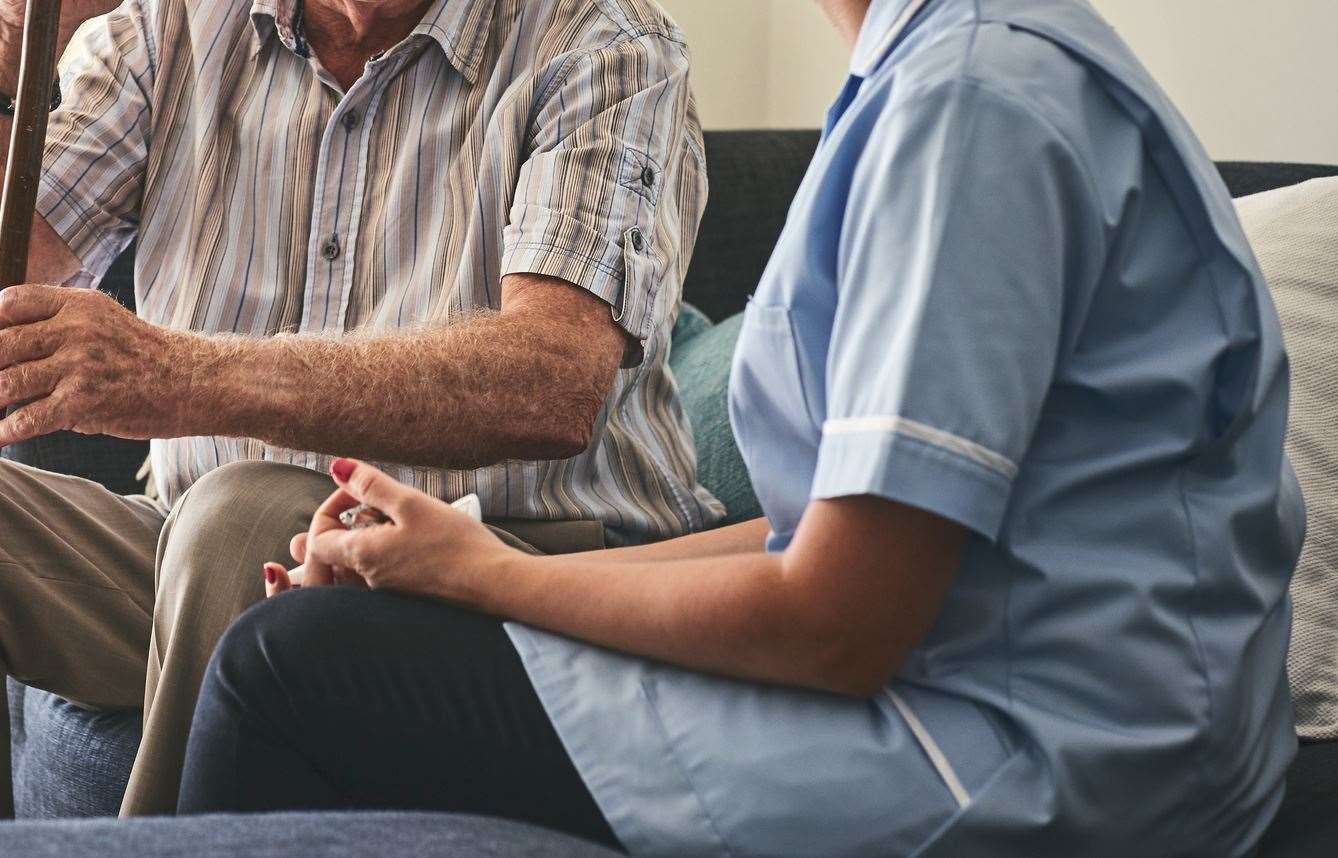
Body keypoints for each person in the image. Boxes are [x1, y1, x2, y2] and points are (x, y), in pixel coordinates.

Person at [177, 0, 1305, 854]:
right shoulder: (939, 68)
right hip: (999, 694)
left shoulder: (973, 107)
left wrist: (487, 580)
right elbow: (825, 537)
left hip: (1039, 759)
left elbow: (837, 623)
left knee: (296, 663)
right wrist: (460, 561)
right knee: (339, 637)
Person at [0, 0, 719, 816]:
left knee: (241, 511)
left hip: (505, 566)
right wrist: (16, 51)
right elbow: (12, 264)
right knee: (209, 522)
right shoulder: (166, 29)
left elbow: (552, 381)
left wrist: (182, 375)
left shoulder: (607, 46)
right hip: (193, 564)